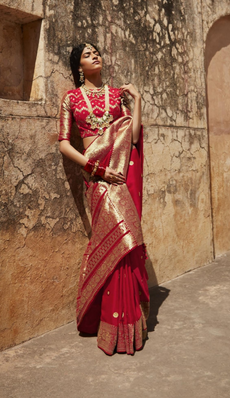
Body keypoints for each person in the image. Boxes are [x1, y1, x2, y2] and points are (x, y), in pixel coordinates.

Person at [58, 42, 150, 355]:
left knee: (124, 247)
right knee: (110, 243)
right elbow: (63, 143)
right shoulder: (71, 98)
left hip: (121, 175)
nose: (94, 55)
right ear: (78, 67)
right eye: (87, 54)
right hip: (97, 179)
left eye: (96, 51)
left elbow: (133, 137)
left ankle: (127, 328)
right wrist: (96, 168)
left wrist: (137, 100)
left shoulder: (116, 96)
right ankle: (105, 323)